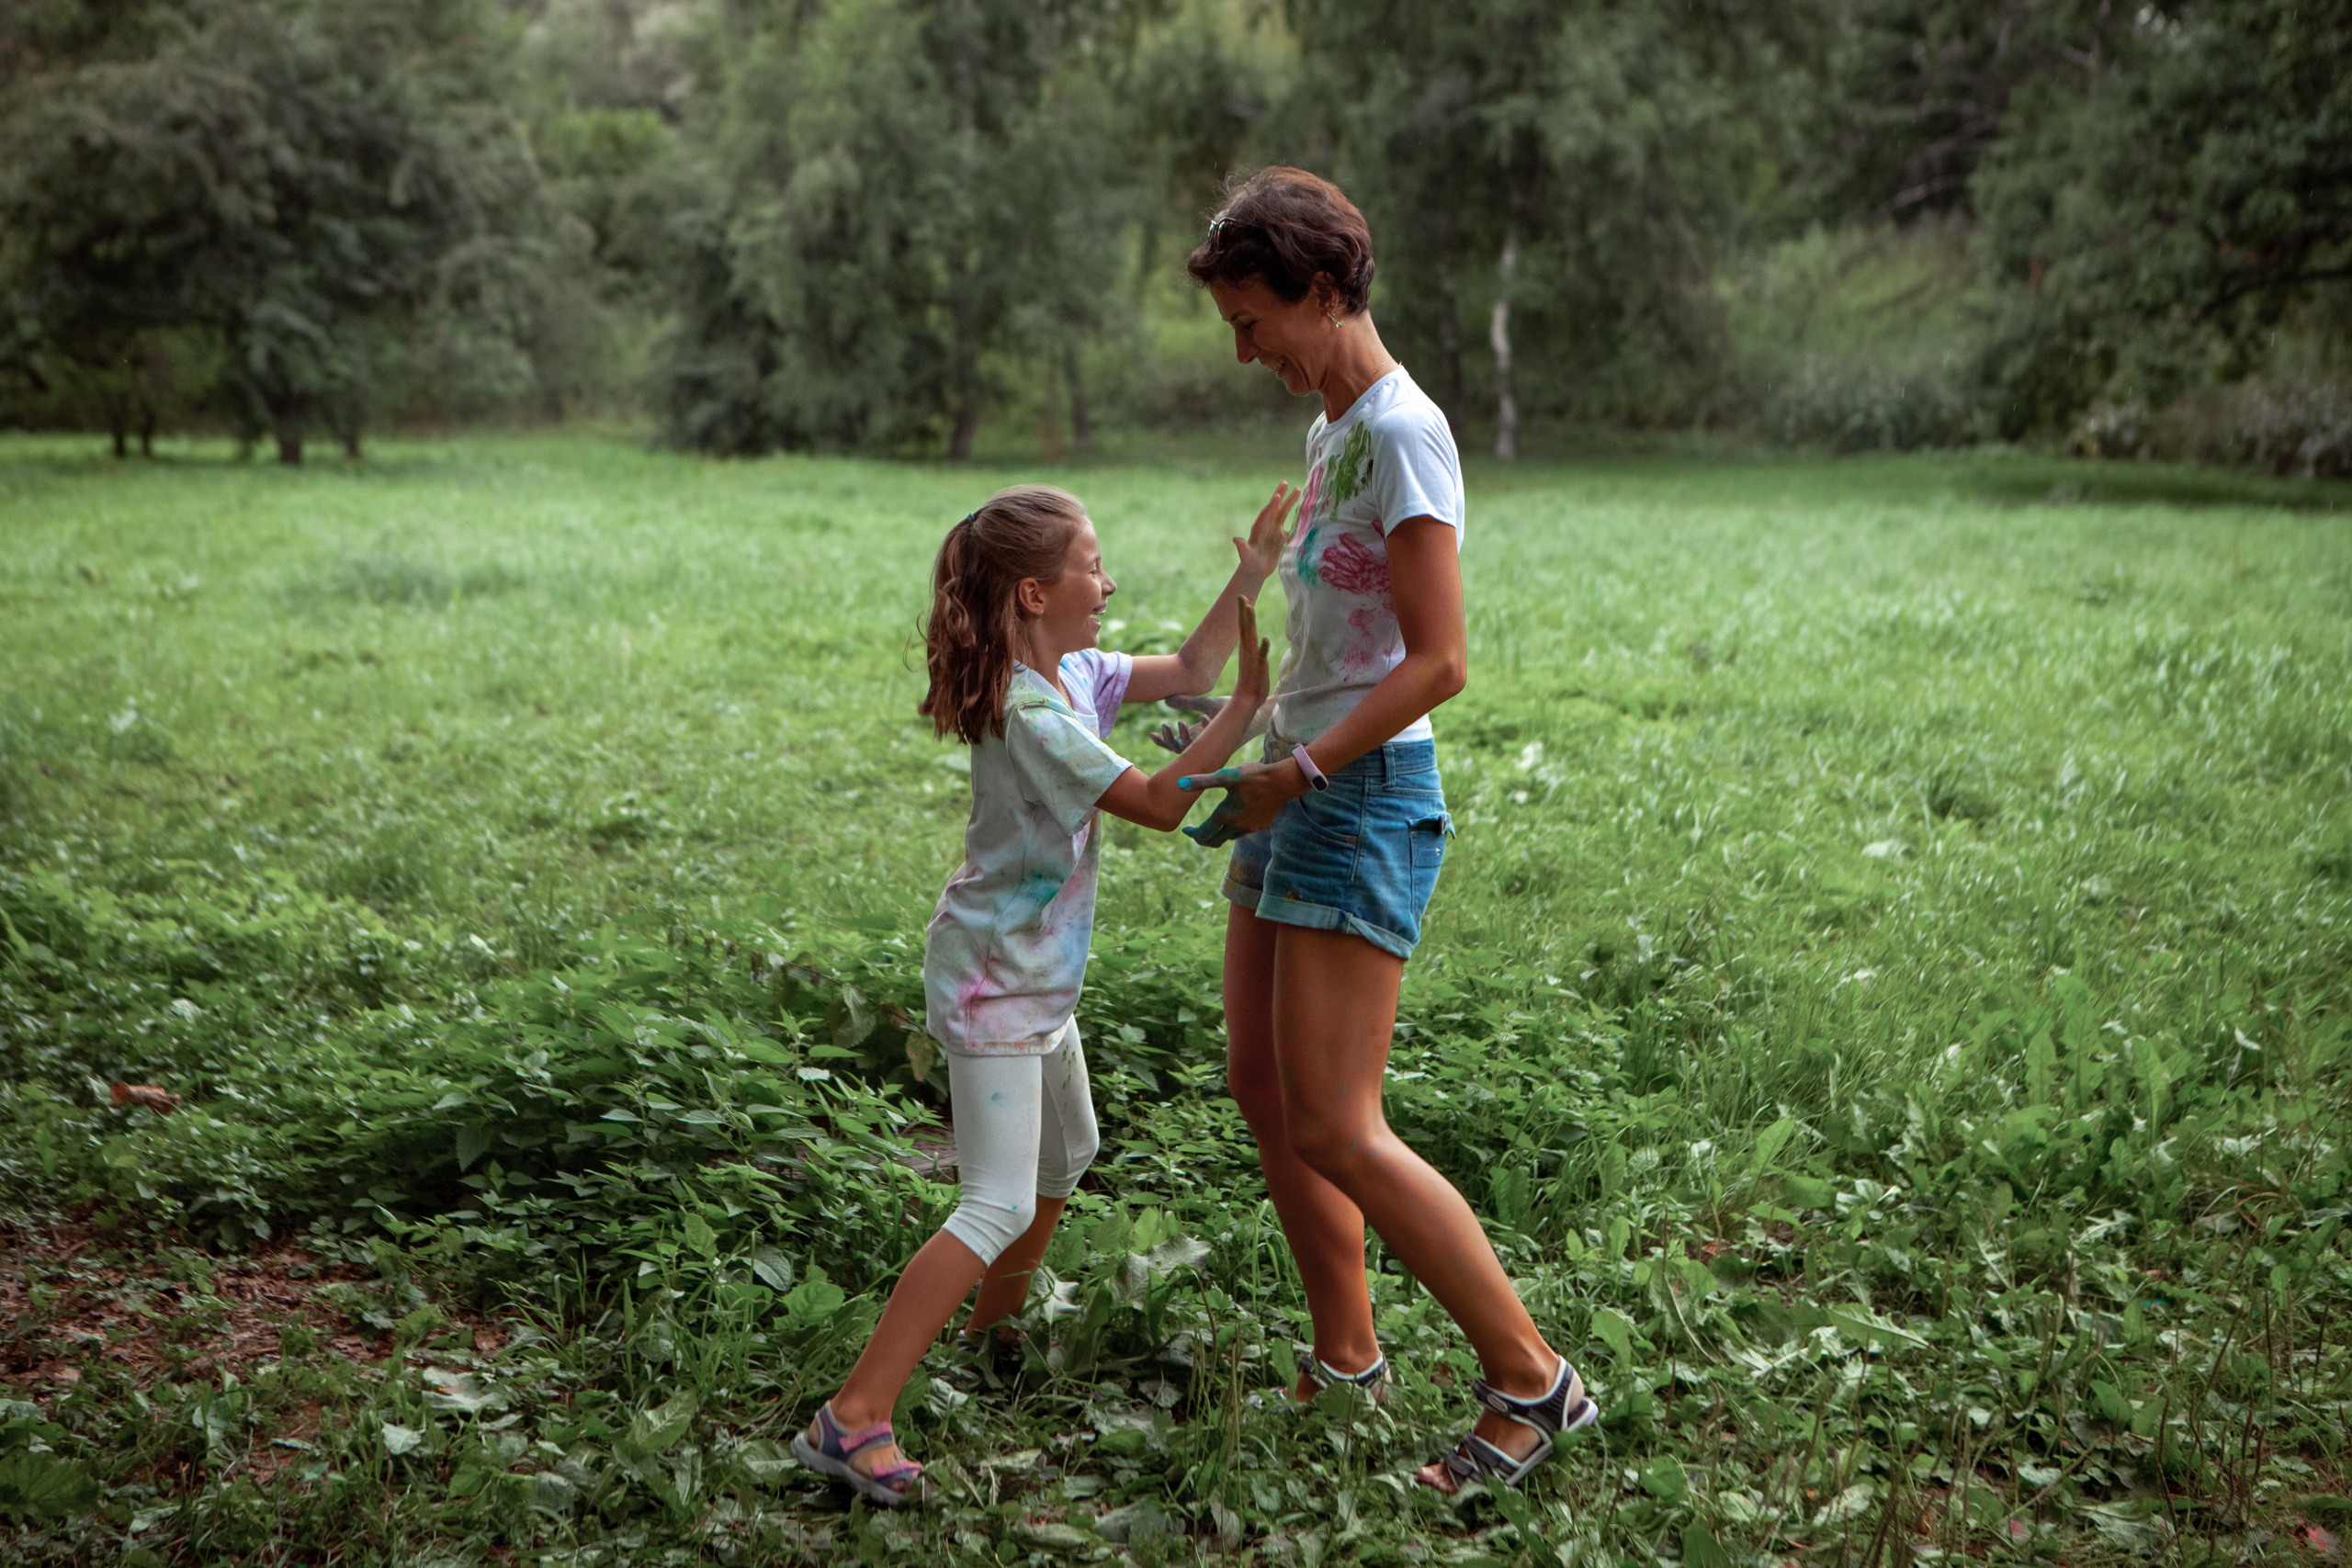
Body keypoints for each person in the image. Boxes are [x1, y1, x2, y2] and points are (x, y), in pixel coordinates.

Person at [1175, 167, 1597, 1494]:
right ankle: (1349, 1354)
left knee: (1343, 1124)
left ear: (1319, 289)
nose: (1247, 353)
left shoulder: (1407, 431)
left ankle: (1536, 1380)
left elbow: (1439, 661)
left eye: (1254, 323)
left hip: (1355, 795)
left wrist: (1293, 770)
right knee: (1263, 1089)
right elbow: (1329, 632)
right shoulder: (1332, 428)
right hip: (1291, 779)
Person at [792, 480, 1295, 1506]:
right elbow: (1158, 803)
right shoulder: (1031, 712)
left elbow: (1191, 665)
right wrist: (1242, 714)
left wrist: (1249, 579)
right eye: (1092, 568)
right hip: (993, 992)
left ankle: (993, 1329)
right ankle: (852, 1419)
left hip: (1032, 980)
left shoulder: (1077, 675)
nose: (1108, 584)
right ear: (1032, 591)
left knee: (1071, 1155)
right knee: (995, 1199)